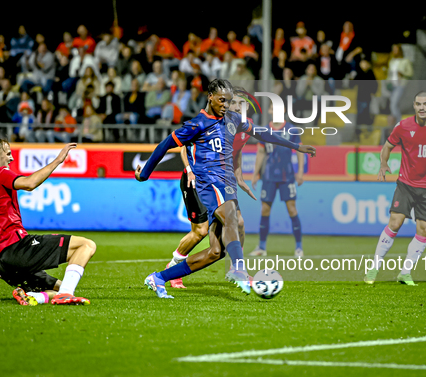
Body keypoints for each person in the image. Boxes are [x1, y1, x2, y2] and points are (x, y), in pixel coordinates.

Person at [135, 79, 316, 299]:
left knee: (216, 252)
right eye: (222, 100)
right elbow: (165, 145)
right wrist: (145, 173)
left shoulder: (234, 119)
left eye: (229, 101)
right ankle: (239, 268)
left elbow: (262, 133)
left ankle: (159, 278)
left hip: (227, 183)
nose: (226, 105)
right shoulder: (196, 124)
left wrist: (296, 146)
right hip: (208, 183)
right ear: (210, 96)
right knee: (231, 216)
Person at [0, 137, 96, 305]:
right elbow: (30, 183)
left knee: (60, 286)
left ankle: (36, 297)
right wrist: (58, 160)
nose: (11, 158)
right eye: (8, 154)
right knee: (87, 245)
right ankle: (65, 295)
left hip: (4, 265)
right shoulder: (0, 173)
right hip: (18, 250)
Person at [163, 88, 257, 289]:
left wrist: (239, 178)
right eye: (236, 103)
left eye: (243, 105)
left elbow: (236, 154)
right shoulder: (208, 122)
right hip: (197, 181)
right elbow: (184, 148)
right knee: (200, 232)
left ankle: (236, 269)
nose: (238, 107)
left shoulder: (239, 129)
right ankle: (172, 268)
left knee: (235, 223)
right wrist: (189, 169)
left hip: (222, 184)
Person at [365, 91, 426, 286]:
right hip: (406, 184)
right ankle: (373, 268)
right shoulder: (403, 126)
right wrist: (383, 164)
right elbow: (387, 147)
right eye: (418, 104)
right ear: (414, 106)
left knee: (424, 229)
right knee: (395, 222)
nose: (421, 108)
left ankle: (405, 273)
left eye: (425, 104)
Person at [250, 110, 305, 257]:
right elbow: (260, 152)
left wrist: (300, 171)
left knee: (292, 209)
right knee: (265, 210)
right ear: (270, 111)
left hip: (287, 176)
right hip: (269, 176)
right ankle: (261, 247)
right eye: (274, 108)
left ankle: (299, 247)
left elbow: (300, 150)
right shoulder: (264, 131)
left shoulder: (291, 129)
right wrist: (255, 173)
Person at [386, 44, 413, 124]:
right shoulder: (391, 61)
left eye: (396, 49)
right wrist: (388, 83)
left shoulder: (405, 61)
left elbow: (410, 73)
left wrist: (402, 73)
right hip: (392, 85)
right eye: (393, 49)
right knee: (393, 105)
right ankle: (395, 123)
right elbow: (389, 74)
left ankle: (398, 123)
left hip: (400, 85)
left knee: (393, 105)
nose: (394, 51)